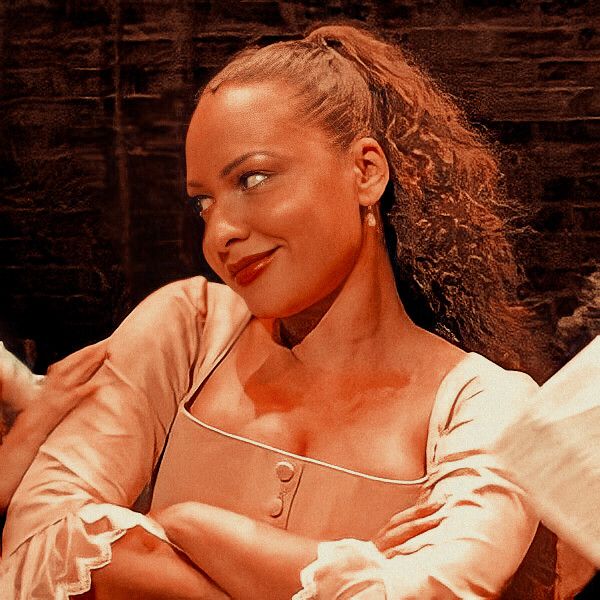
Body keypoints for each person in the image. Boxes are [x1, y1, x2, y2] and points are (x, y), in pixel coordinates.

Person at [0, 24, 547, 599]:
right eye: (204, 203)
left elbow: (431, 592)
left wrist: (192, 527)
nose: (220, 233)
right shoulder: (187, 328)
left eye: (253, 178)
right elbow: (37, 543)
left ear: (366, 172)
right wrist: (341, 567)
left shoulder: (485, 404)